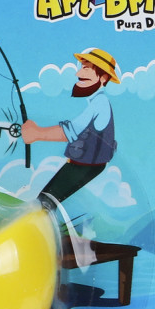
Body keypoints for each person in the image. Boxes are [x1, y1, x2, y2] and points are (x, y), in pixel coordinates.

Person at [22, 48, 119, 205]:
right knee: (48, 199)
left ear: (103, 77)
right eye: (81, 68)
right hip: (84, 164)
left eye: (86, 69)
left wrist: (37, 133)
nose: (78, 74)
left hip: (86, 166)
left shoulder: (99, 102)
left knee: (46, 200)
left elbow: (70, 131)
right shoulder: (97, 101)